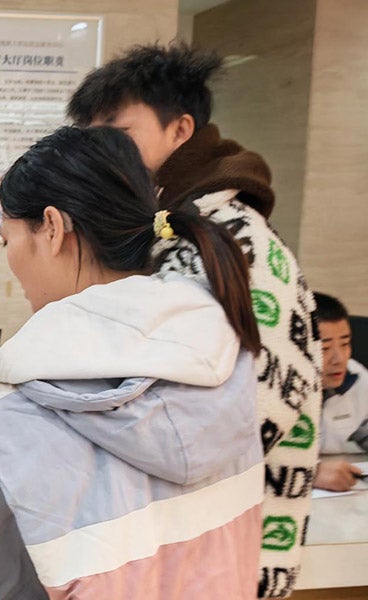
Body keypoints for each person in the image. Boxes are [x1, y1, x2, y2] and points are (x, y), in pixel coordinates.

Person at [0, 126, 264, 599]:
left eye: (7, 241)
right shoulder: (231, 376)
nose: (11, 262)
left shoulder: (0, 429)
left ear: (53, 229)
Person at [68, 42, 321, 598]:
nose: (103, 153)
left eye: (119, 132)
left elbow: (241, 421)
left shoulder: (227, 234)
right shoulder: (180, 227)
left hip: (226, 555)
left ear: (181, 129)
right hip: (199, 548)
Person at [311, 292, 368, 492]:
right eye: (325, 348)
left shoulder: (357, 378)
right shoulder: (266, 391)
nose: (339, 359)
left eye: (345, 344)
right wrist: (312, 474)